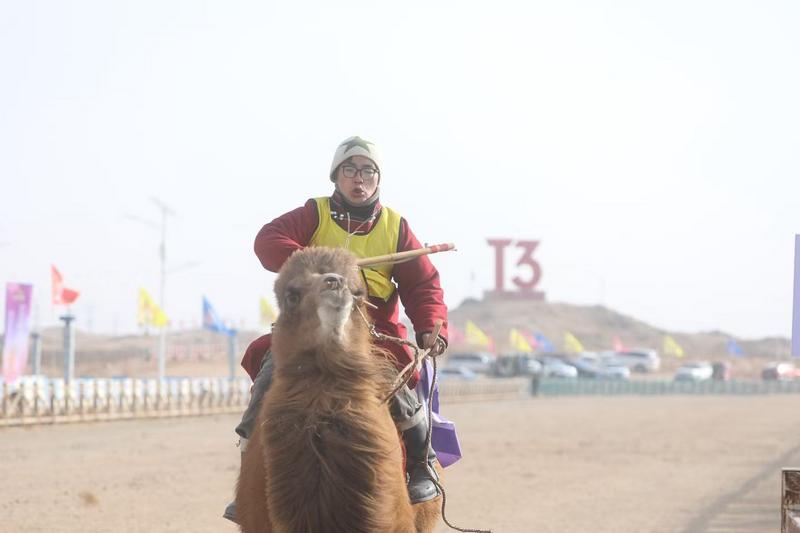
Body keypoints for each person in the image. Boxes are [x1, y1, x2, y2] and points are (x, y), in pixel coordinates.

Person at [224, 136, 449, 522]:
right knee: (267, 382)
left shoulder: (396, 226)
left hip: (371, 332)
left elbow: (422, 283)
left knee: (407, 400)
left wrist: (430, 325)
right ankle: (251, 468)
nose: (358, 179)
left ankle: (419, 467)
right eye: (350, 170)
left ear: (378, 179)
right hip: (307, 324)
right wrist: (316, 264)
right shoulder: (314, 213)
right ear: (336, 176)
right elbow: (268, 241)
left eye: (367, 171)